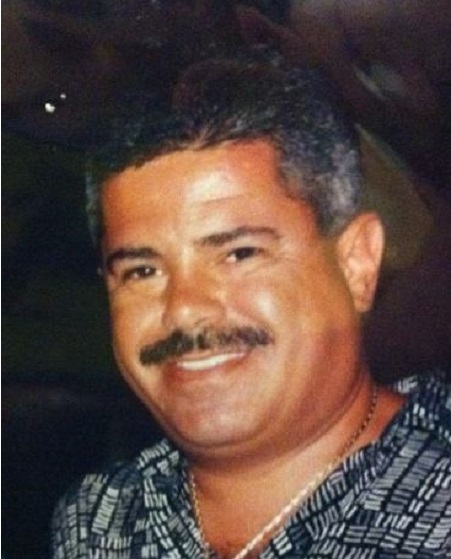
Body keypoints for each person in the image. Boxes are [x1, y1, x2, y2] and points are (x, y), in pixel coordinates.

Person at [52, 53, 451, 558]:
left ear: (357, 264)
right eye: (142, 271)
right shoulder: (100, 520)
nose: (184, 310)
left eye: (239, 254)